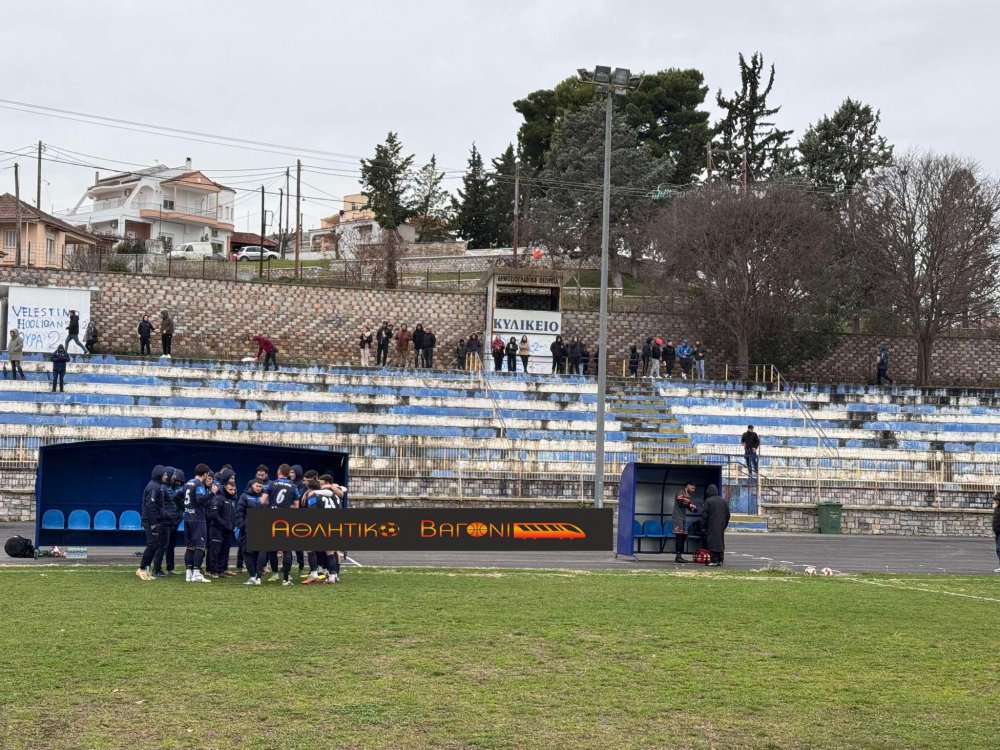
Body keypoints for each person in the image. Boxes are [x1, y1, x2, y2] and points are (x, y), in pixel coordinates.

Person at [259, 464, 299, 586]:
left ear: (279, 472)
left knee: (267, 549)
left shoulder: (271, 484)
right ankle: (286, 579)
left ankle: (258, 577)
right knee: (287, 551)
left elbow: (262, 501)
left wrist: (271, 504)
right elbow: (296, 506)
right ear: (288, 473)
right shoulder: (293, 486)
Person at [182, 464, 213, 583]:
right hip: (198, 519)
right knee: (200, 546)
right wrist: (212, 493)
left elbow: (176, 495)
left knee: (190, 546)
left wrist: (185, 508)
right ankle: (196, 573)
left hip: (187, 517)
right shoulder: (199, 484)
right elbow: (200, 499)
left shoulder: (187, 483)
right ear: (205, 474)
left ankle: (188, 574)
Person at [136, 465, 166, 581]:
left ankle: (146, 569)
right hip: (150, 521)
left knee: (155, 545)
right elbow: (150, 505)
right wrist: (153, 522)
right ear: (159, 475)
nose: (166, 476)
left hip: (154, 520)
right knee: (152, 544)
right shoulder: (153, 487)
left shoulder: (156, 486)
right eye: (164, 474)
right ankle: (142, 569)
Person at [207, 468, 238, 578]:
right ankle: (213, 571)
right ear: (225, 487)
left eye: (234, 489)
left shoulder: (233, 501)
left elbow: (234, 515)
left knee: (225, 551)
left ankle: (221, 570)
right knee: (215, 551)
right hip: (217, 529)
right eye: (230, 489)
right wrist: (224, 524)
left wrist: (233, 525)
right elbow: (213, 514)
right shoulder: (218, 498)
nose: (232, 490)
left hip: (229, 530)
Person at [152, 466, 182, 576]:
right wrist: (167, 515)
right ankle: (157, 569)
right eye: (173, 475)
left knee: (170, 546)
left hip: (172, 523)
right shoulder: (162, 488)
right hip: (164, 522)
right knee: (162, 546)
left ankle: (170, 568)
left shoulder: (170, 488)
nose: (175, 477)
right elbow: (159, 506)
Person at [237, 477, 266, 585]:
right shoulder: (245, 496)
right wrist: (242, 525)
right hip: (248, 527)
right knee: (247, 552)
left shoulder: (265, 497)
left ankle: (256, 577)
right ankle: (254, 576)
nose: (258, 488)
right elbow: (239, 512)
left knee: (260, 552)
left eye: (260, 486)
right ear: (252, 485)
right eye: (257, 486)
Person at [702, 484, 731, 566]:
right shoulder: (723, 501)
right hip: (721, 524)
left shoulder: (708, 501)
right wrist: (724, 524)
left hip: (711, 524)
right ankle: (720, 559)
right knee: (720, 541)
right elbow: (728, 515)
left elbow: (704, 515)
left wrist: (703, 527)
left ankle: (713, 560)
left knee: (712, 542)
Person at [672, 483, 698, 563]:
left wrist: (693, 509)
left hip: (683, 517)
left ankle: (680, 554)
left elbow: (688, 506)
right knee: (679, 536)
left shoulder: (688, 495)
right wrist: (689, 505)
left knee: (684, 535)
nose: (693, 490)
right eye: (692, 488)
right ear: (688, 485)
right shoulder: (680, 492)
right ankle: (678, 556)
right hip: (677, 517)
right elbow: (680, 504)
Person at [993, 492, 1000, 573]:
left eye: (997, 500)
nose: (996, 501)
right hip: (997, 533)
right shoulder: (996, 508)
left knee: (999, 549)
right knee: (998, 550)